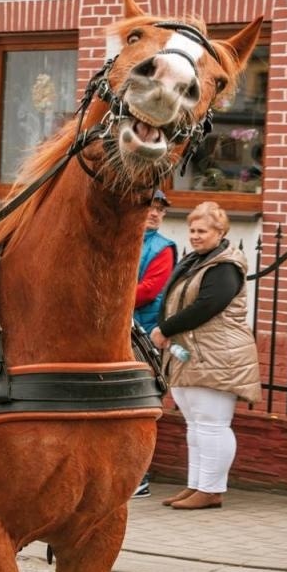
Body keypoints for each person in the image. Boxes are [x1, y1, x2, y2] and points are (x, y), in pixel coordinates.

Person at [150, 201, 261, 511]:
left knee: (212, 424)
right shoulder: (196, 261)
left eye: (203, 231)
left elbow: (207, 306)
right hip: (192, 353)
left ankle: (211, 490)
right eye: (192, 230)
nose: (195, 236)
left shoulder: (225, 265)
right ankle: (196, 485)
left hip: (217, 355)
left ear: (220, 232)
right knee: (196, 424)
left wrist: (165, 329)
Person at [130, 188, 178, 498]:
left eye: (160, 209)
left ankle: (141, 476)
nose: (155, 213)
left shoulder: (162, 248)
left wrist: (108, 297)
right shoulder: (123, 238)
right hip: (118, 327)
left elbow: (149, 290)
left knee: (140, 401)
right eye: (150, 206)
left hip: (143, 334)